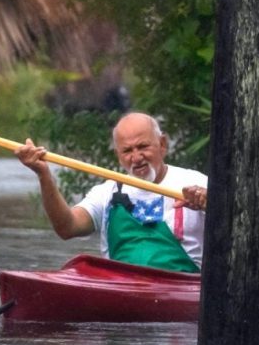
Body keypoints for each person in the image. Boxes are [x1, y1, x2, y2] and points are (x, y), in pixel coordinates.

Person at [15, 112, 207, 272]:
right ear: (118, 155)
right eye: (127, 151)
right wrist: (43, 174)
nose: (136, 157)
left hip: (182, 287)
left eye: (143, 147)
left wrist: (210, 203)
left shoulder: (196, 183)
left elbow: (234, 225)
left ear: (162, 144)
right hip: (121, 287)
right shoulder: (107, 192)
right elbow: (68, 228)